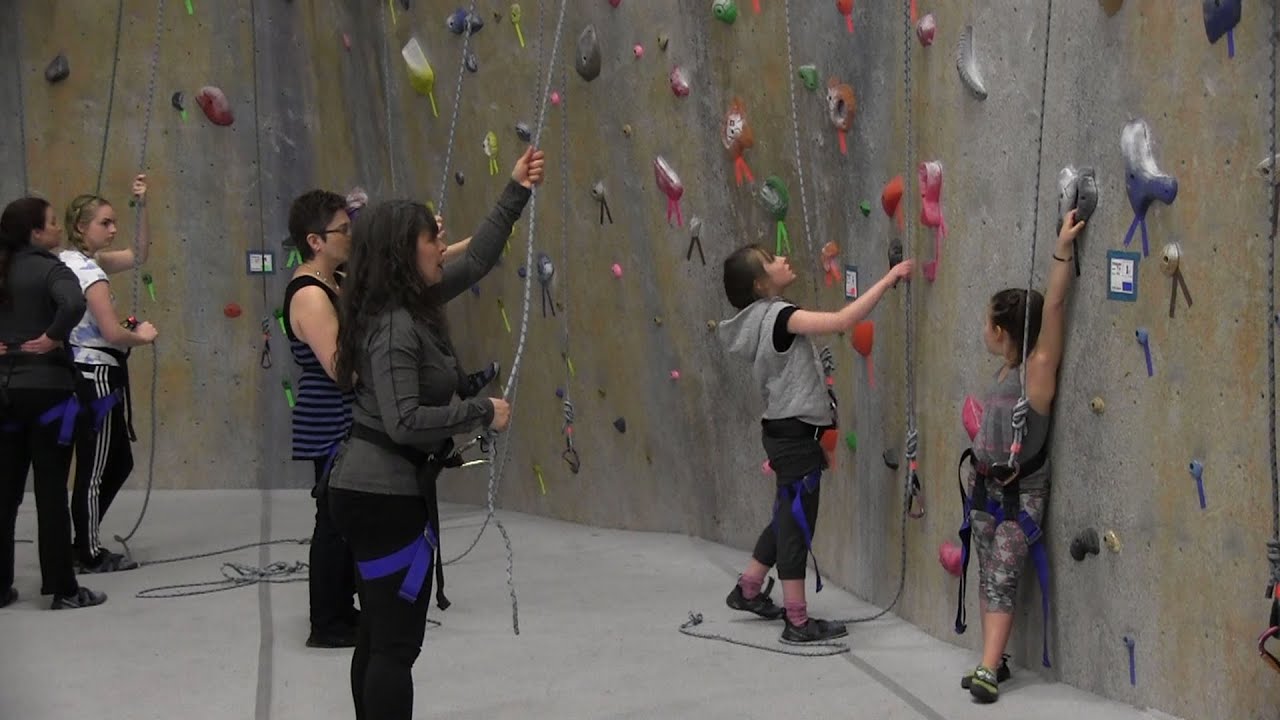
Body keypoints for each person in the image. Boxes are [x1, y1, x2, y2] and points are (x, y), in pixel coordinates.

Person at [326, 145, 544, 720]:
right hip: (381, 496)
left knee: (378, 631)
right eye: (431, 239)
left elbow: (478, 261)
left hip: (372, 491)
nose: (441, 246)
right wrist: (480, 412)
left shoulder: (402, 303)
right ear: (405, 252)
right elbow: (402, 421)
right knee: (396, 645)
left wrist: (515, 189)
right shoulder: (397, 324)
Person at [716, 243, 916, 644]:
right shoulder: (780, 315)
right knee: (796, 526)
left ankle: (748, 589)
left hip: (781, 432)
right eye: (773, 260)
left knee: (786, 516)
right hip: (795, 438)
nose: (783, 259)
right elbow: (843, 321)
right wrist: (890, 280)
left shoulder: (757, 318)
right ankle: (798, 621)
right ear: (760, 283)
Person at [959, 208, 1084, 703]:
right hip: (985, 490)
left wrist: (1062, 248)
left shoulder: (1035, 374)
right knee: (989, 573)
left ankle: (987, 668)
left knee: (1005, 573)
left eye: (988, 322)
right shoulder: (1003, 371)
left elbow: (1052, 308)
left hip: (1020, 495)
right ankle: (998, 660)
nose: (983, 328)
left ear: (1003, 331)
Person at [0, 197, 106, 609]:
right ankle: (62, 588)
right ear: (36, 233)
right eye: (51, 224)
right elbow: (74, 303)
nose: (58, 230)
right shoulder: (51, 268)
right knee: (50, 490)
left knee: (5, 493)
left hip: (4, 395)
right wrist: (53, 335)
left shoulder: (4, 270)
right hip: (47, 394)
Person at [58, 175, 159, 572]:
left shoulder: (74, 262)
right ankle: (89, 551)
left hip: (90, 372)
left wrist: (143, 205)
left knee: (117, 461)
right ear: (82, 227)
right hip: (96, 374)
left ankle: (83, 538)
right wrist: (142, 336)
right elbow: (113, 332)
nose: (113, 229)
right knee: (97, 467)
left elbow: (140, 254)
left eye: (114, 222)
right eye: (105, 223)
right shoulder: (90, 274)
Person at [282, 189, 360, 648]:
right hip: (330, 421)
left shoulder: (334, 279)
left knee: (343, 520)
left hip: (340, 418)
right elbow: (338, 370)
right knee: (332, 522)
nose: (350, 236)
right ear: (315, 240)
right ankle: (326, 624)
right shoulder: (311, 294)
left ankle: (340, 609)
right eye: (342, 230)